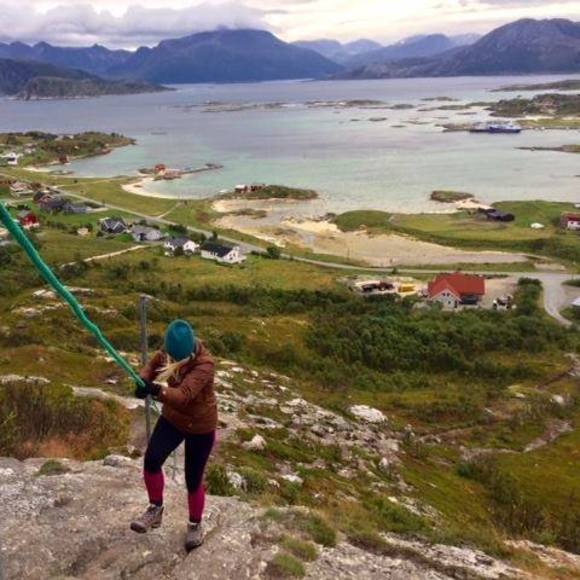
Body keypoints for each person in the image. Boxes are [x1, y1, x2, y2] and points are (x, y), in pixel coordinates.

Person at [130, 320, 217, 552]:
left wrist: (155, 390)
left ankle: (195, 524)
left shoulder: (205, 364)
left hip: (200, 426)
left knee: (193, 479)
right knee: (152, 460)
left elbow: (183, 395)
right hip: (173, 419)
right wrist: (143, 381)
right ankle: (155, 509)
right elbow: (152, 366)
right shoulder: (167, 351)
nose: (171, 360)